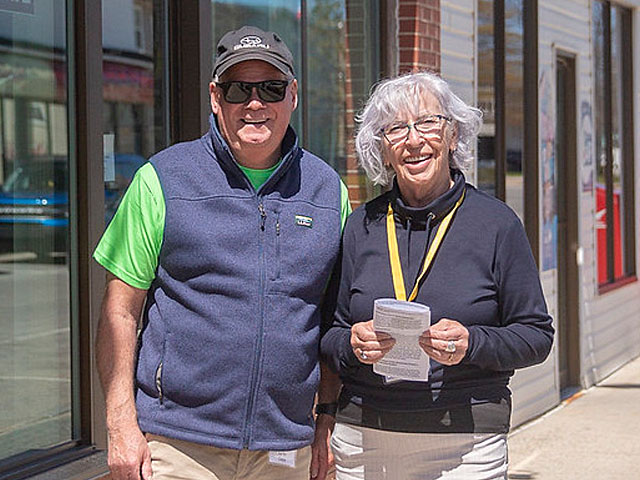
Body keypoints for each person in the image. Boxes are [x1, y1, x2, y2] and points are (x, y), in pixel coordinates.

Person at [94, 25, 349, 480]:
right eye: (237, 89)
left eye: (271, 88)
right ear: (216, 97)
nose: (255, 104)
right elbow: (120, 313)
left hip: (285, 448)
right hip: (177, 446)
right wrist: (120, 425)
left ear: (292, 95)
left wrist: (326, 420)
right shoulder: (163, 179)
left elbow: (333, 319)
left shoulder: (328, 192)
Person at [320, 71, 554, 479]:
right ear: (383, 150)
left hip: (465, 443)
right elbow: (329, 334)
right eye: (396, 129)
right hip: (364, 438)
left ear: (452, 135)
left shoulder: (496, 224)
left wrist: (472, 343)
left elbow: (536, 336)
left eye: (428, 122)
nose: (413, 140)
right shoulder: (362, 226)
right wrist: (352, 343)